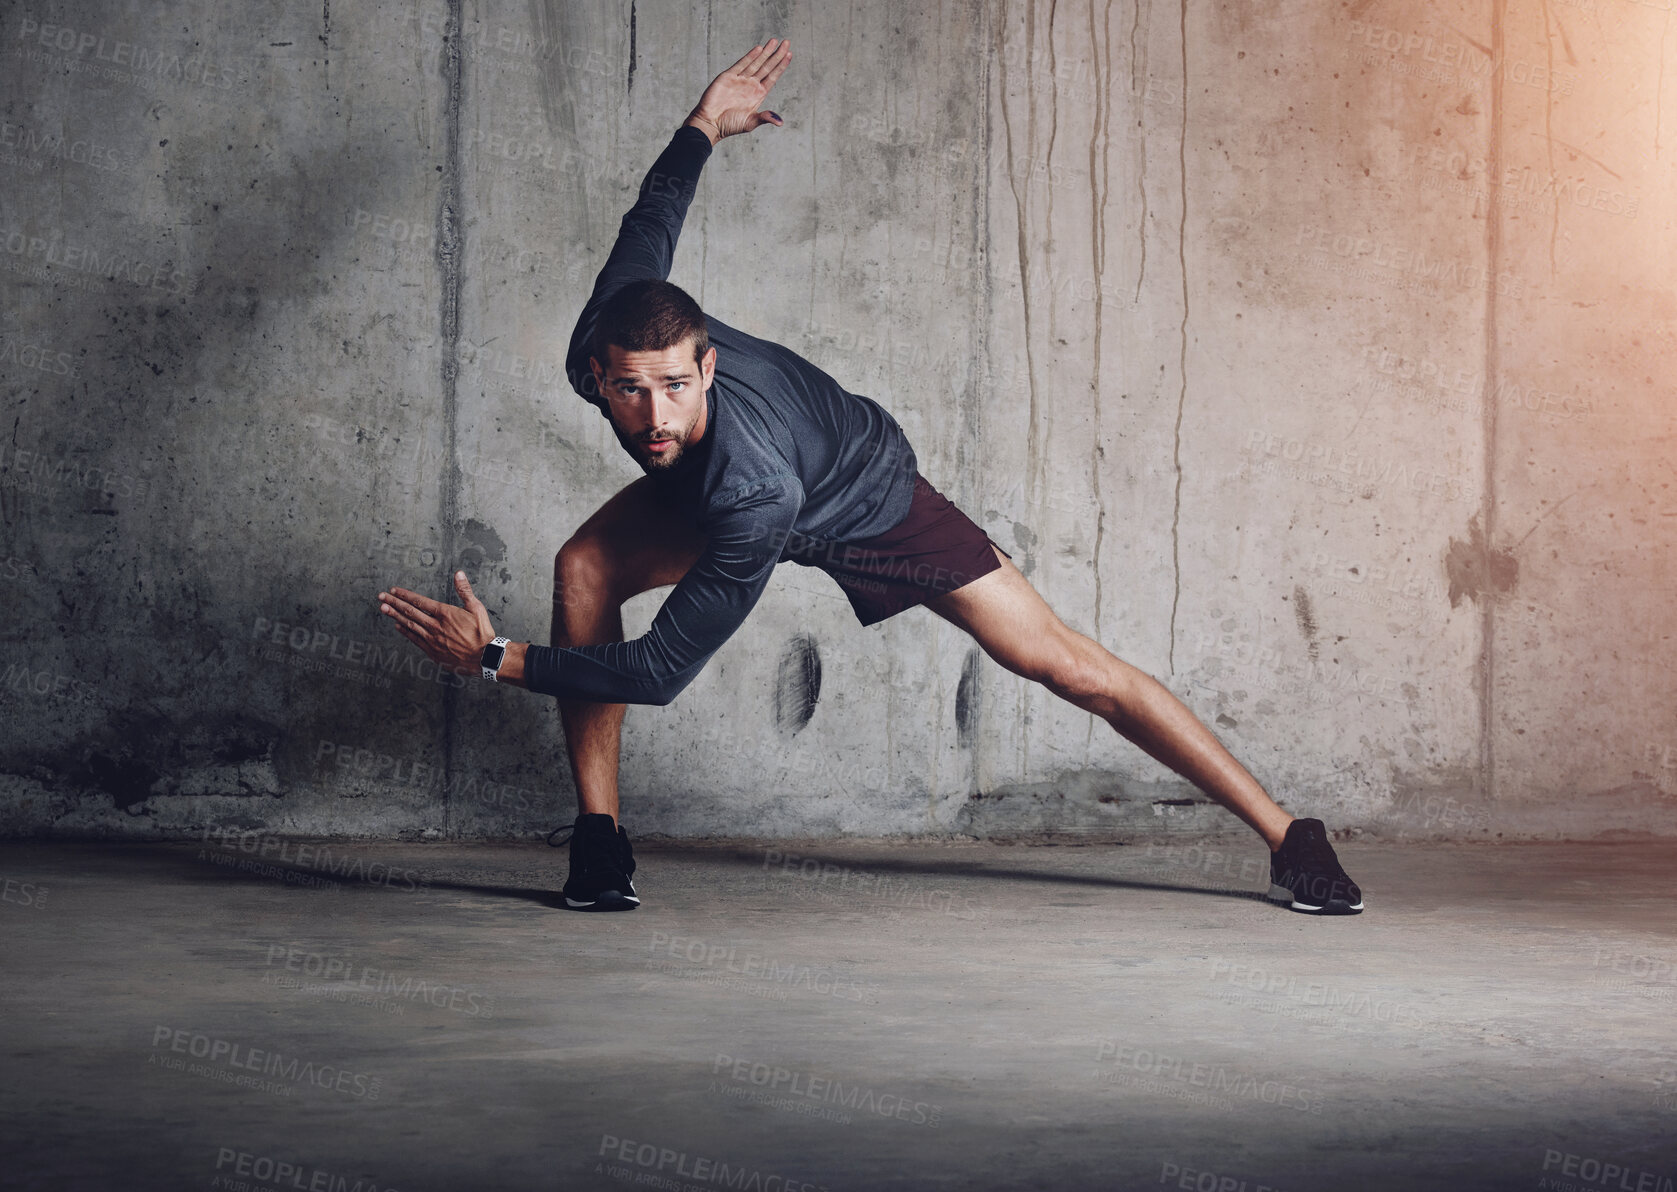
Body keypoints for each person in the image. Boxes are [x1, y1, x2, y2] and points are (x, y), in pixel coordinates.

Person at [375, 39, 1364, 916]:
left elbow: (662, 672)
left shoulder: (749, 485)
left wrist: (496, 655)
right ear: (600, 371)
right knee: (586, 563)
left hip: (862, 495)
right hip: (740, 484)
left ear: (707, 363)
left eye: (676, 385)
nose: (654, 418)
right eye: (631, 393)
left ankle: (1289, 836)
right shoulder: (613, 339)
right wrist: (700, 128)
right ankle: (601, 843)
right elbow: (656, 214)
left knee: (1063, 662)